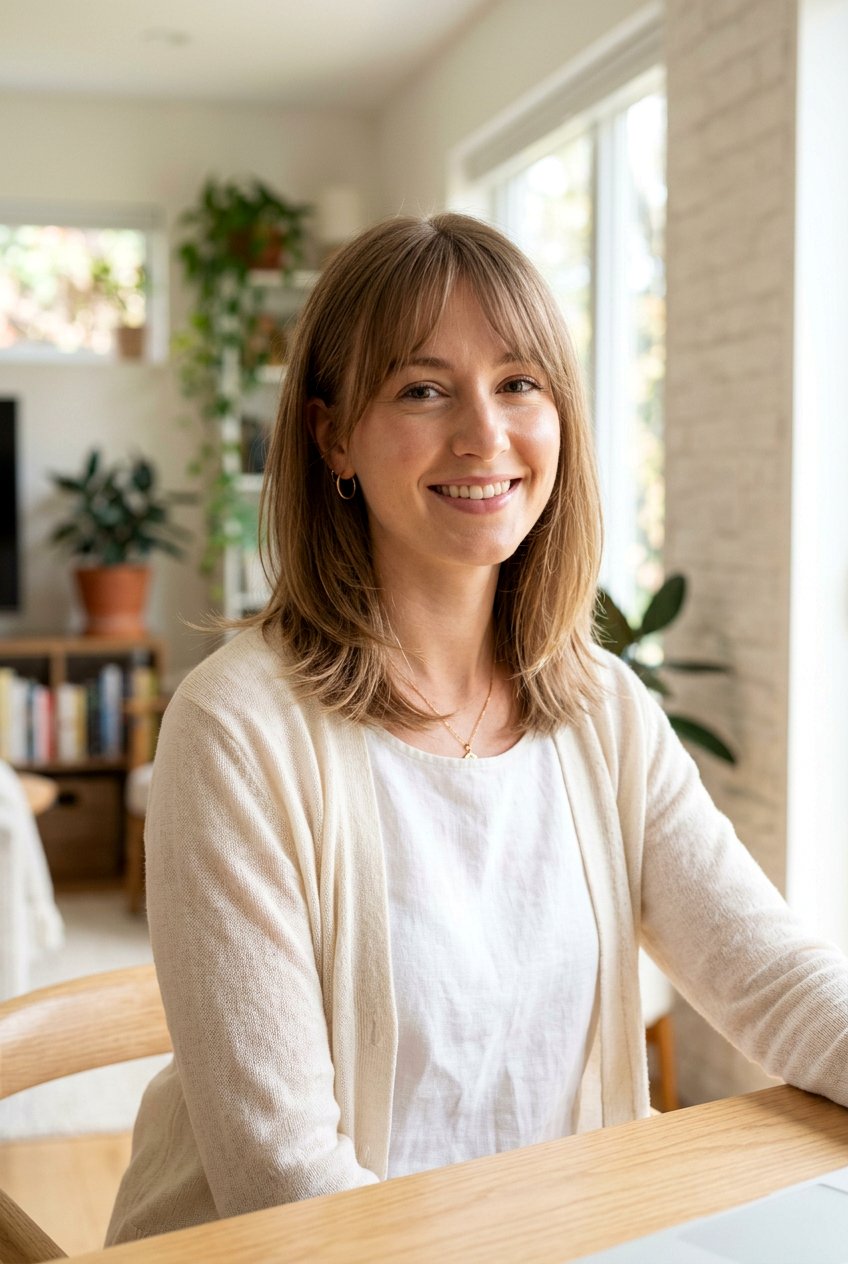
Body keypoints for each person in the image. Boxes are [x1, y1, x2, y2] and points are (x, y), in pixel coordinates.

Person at [107, 213, 848, 1244]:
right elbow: (283, 1178)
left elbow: (770, 978)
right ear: (332, 437)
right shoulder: (236, 729)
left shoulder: (603, 711)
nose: (483, 435)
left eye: (518, 382)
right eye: (421, 389)